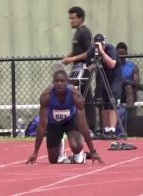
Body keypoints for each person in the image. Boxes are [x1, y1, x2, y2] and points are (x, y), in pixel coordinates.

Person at [26, 70, 104, 164]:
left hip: (71, 120)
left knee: (76, 146)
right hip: (54, 123)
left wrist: (92, 151)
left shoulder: (75, 96)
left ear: (67, 82)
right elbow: (42, 125)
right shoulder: (46, 96)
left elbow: (83, 125)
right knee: (53, 160)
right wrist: (35, 152)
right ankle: (60, 145)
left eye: (62, 81)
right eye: (57, 81)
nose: (59, 83)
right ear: (53, 82)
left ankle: (78, 155)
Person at [61, 6, 97, 135]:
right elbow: (78, 50)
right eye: (69, 18)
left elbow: (89, 52)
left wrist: (72, 59)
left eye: (73, 18)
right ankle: (76, 125)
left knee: (84, 97)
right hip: (76, 68)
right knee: (74, 95)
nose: (70, 21)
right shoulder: (77, 32)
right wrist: (68, 57)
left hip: (83, 68)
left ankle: (90, 127)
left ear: (80, 18)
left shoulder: (84, 32)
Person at [86, 34, 123, 138]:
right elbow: (88, 68)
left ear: (104, 43)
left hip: (114, 77)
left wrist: (102, 52)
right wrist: (94, 64)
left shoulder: (111, 49)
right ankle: (106, 129)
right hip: (102, 77)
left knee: (112, 102)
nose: (97, 47)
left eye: (100, 44)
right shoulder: (91, 51)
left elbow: (112, 64)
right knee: (104, 102)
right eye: (96, 45)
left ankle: (112, 130)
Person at [116, 42, 140, 107]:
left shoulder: (133, 66)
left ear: (126, 54)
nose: (121, 57)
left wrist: (124, 81)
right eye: (119, 54)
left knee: (128, 87)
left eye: (123, 54)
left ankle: (130, 115)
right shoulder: (112, 66)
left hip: (129, 92)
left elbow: (136, 83)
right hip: (116, 91)